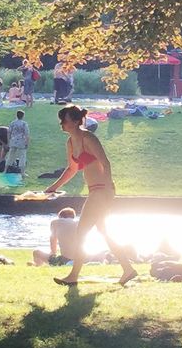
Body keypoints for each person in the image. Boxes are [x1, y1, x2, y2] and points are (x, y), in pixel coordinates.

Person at [44, 104, 138, 285]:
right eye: (61, 119)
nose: (61, 123)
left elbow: (106, 163)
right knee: (103, 231)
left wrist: (109, 188)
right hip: (95, 190)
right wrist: (53, 187)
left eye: (65, 119)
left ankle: (73, 276)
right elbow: (72, 169)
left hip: (102, 190)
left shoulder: (89, 138)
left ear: (77, 121)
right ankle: (128, 269)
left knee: (82, 232)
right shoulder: (71, 142)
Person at [5, 108, 30, 175]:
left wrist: (8, 141)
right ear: (23, 116)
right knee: (22, 157)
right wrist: (27, 143)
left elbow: (9, 132)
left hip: (13, 141)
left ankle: (5, 170)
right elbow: (26, 134)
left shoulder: (12, 123)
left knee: (10, 156)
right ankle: (22, 172)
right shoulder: (24, 124)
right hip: (21, 142)